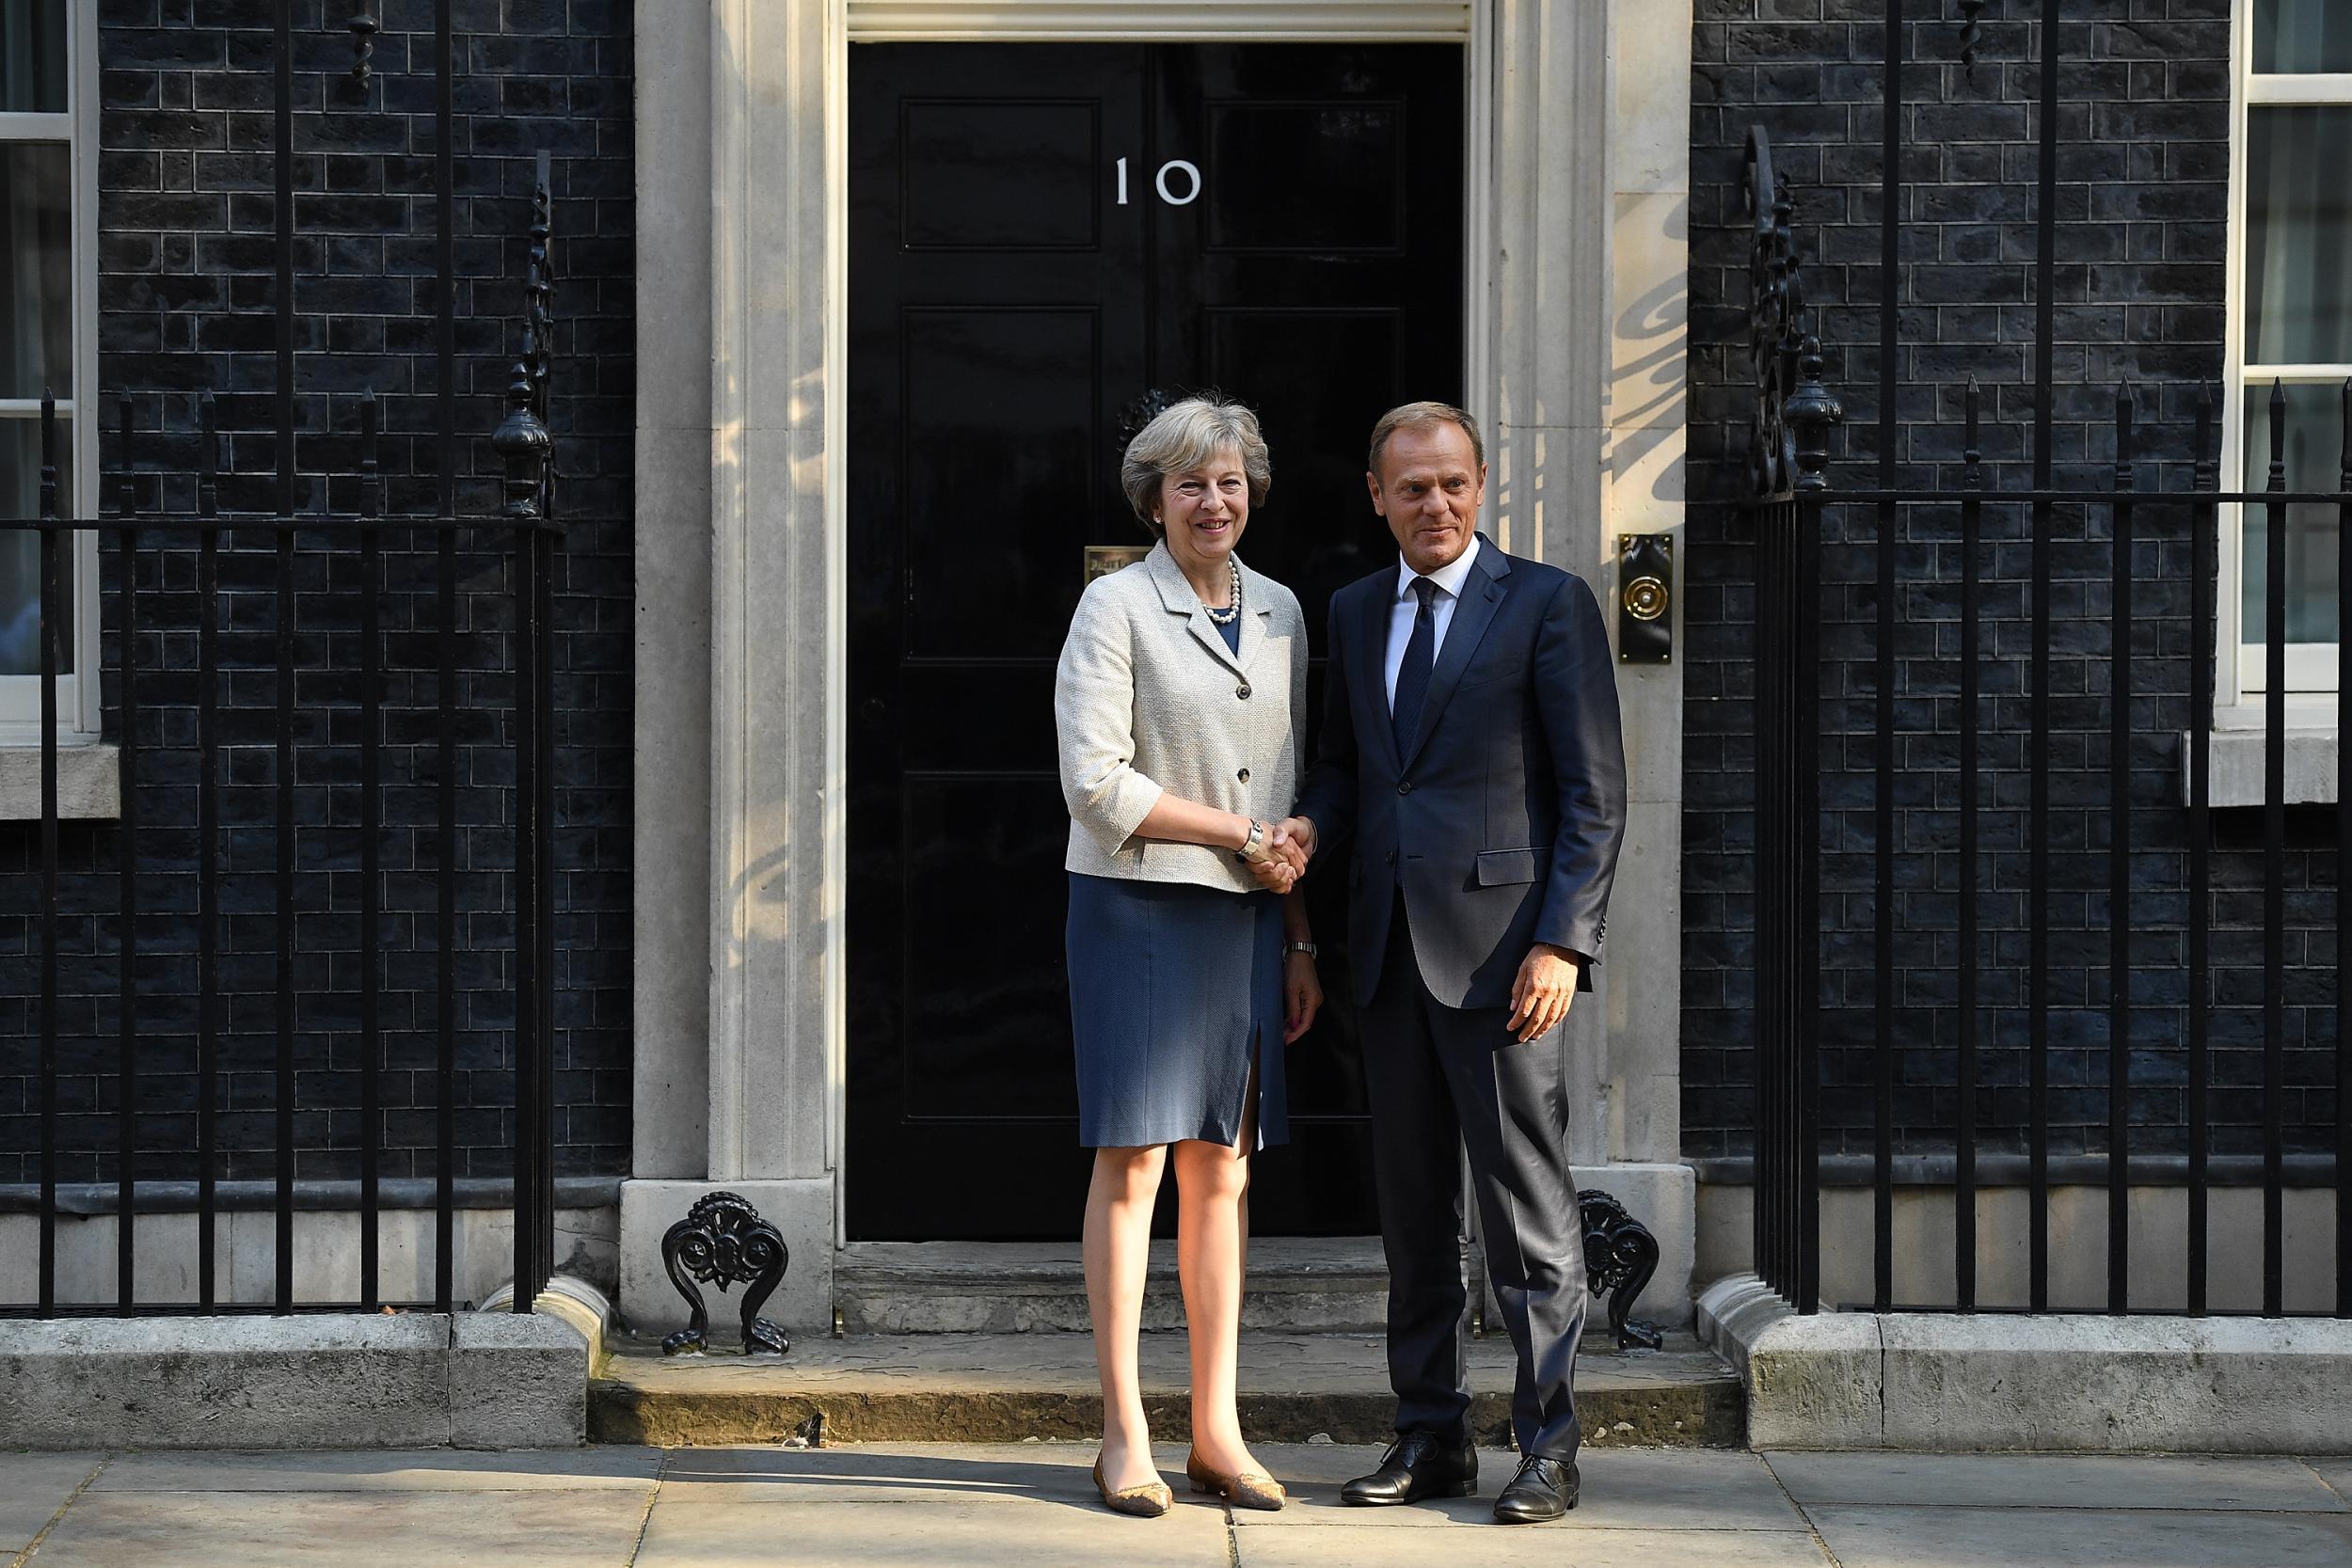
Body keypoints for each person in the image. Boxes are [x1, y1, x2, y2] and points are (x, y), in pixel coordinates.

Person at [1271, 400, 1627, 1525]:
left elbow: (1593, 796)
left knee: (1525, 1211)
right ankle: (1428, 1435)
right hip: (1384, 958)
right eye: (1411, 487)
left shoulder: (1546, 604)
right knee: (1415, 1218)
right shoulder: (1356, 606)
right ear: (1375, 496)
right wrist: (1307, 836)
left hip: (1506, 961)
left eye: (1452, 484)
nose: (1434, 504)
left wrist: (1563, 941)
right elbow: (1342, 768)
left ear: (1482, 488)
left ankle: (1546, 1443)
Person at [1054, 395, 1323, 1519]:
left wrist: (1299, 915)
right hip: (1136, 908)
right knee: (1135, 1167)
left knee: (1225, 1167)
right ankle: (1125, 1432)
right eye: (1189, 485)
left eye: (1229, 482)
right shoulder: (1112, 607)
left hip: (1254, 919)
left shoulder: (1282, 609)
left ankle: (1217, 1428)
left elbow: (1298, 773)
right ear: (1152, 499)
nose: (1214, 502)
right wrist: (1239, 836)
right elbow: (1094, 782)